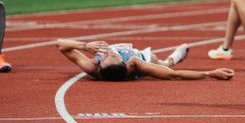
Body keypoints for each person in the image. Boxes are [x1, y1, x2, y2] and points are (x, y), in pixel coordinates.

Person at [57, 40, 233, 81]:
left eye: (107, 56)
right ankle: (176, 56)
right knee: (165, 65)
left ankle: (174, 56)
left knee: (165, 66)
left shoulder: (92, 66)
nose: (109, 52)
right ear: (125, 62)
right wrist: (210, 73)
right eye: (112, 55)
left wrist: (85, 45)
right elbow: (174, 75)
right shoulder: (135, 61)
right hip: (147, 58)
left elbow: (60, 45)